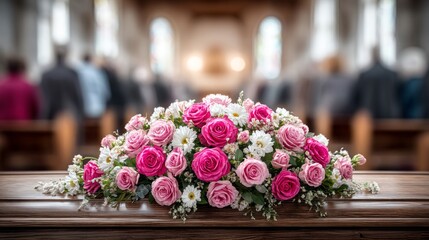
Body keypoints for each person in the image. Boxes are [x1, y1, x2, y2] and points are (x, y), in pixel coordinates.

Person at [352, 47, 401, 118]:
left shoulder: (364, 74)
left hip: (368, 113)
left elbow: (357, 95)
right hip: (389, 113)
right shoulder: (392, 74)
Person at [40, 50, 84, 120]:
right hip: (71, 113)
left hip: (51, 114)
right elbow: (78, 95)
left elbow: (42, 97)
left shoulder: (46, 75)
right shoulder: (72, 73)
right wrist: (81, 114)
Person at [76, 53, 110, 119]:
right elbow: (103, 89)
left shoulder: (77, 72)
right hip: (96, 107)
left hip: (81, 107)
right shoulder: (96, 72)